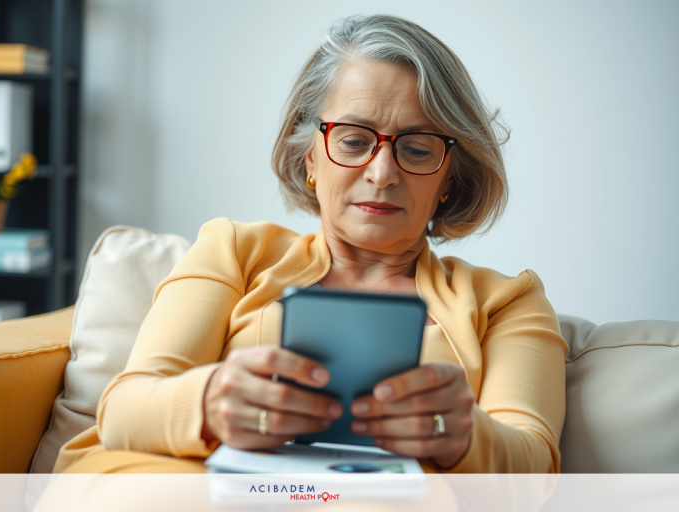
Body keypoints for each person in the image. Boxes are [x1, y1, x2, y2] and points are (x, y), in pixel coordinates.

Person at [53, 13, 568, 474]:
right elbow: (122, 411)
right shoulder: (234, 251)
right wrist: (209, 402)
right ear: (310, 160)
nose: (383, 173)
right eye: (353, 140)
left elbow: (534, 463)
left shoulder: (506, 302)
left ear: (449, 178)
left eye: (416, 148)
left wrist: (463, 435)